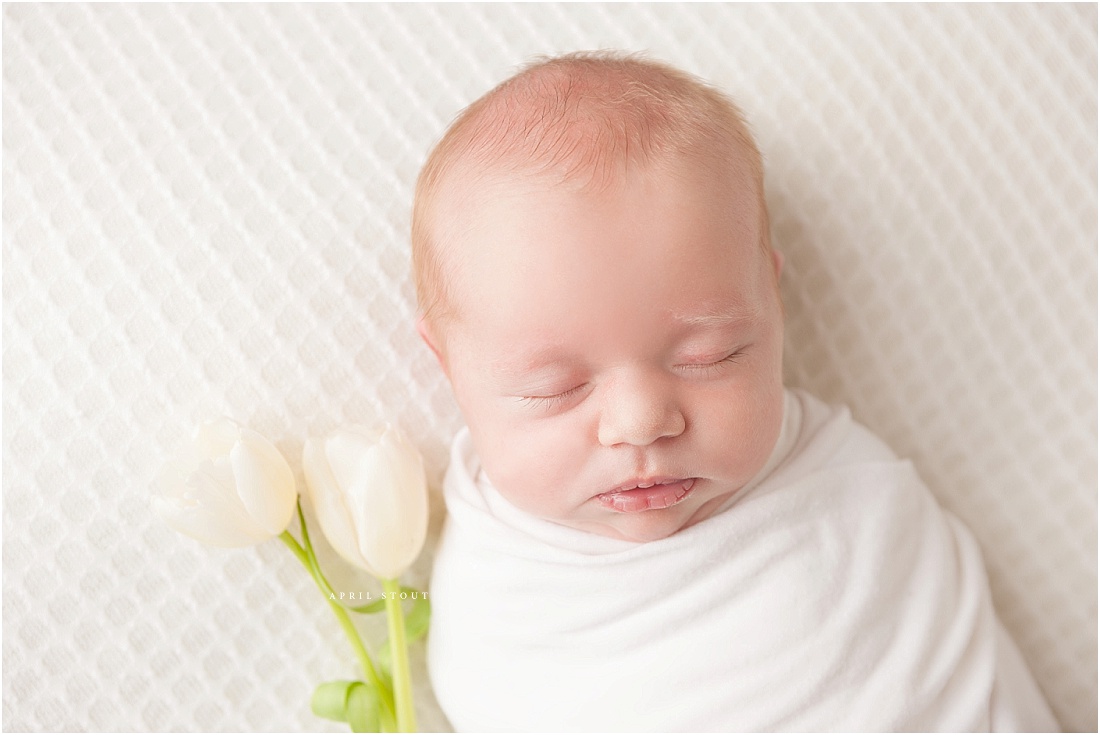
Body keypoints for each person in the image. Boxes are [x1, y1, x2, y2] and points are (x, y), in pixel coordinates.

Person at [412, 50, 1057, 731]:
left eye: (707, 355)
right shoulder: (501, 594)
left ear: (772, 306)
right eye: (557, 387)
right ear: (450, 367)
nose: (640, 422)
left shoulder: (843, 489)